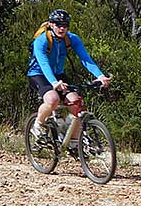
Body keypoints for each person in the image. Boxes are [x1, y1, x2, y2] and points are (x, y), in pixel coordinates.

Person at [27, 9, 111, 142]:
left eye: (65, 25)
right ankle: (37, 124)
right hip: (38, 74)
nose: (62, 28)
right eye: (58, 24)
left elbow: (85, 59)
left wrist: (100, 76)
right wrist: (54, 83)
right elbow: (44, 63)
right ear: (51, 24)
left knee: (76, 102)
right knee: (52, 100)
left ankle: (73, 141)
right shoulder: (41, 40)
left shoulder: (72, 39)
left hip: (58, 74)